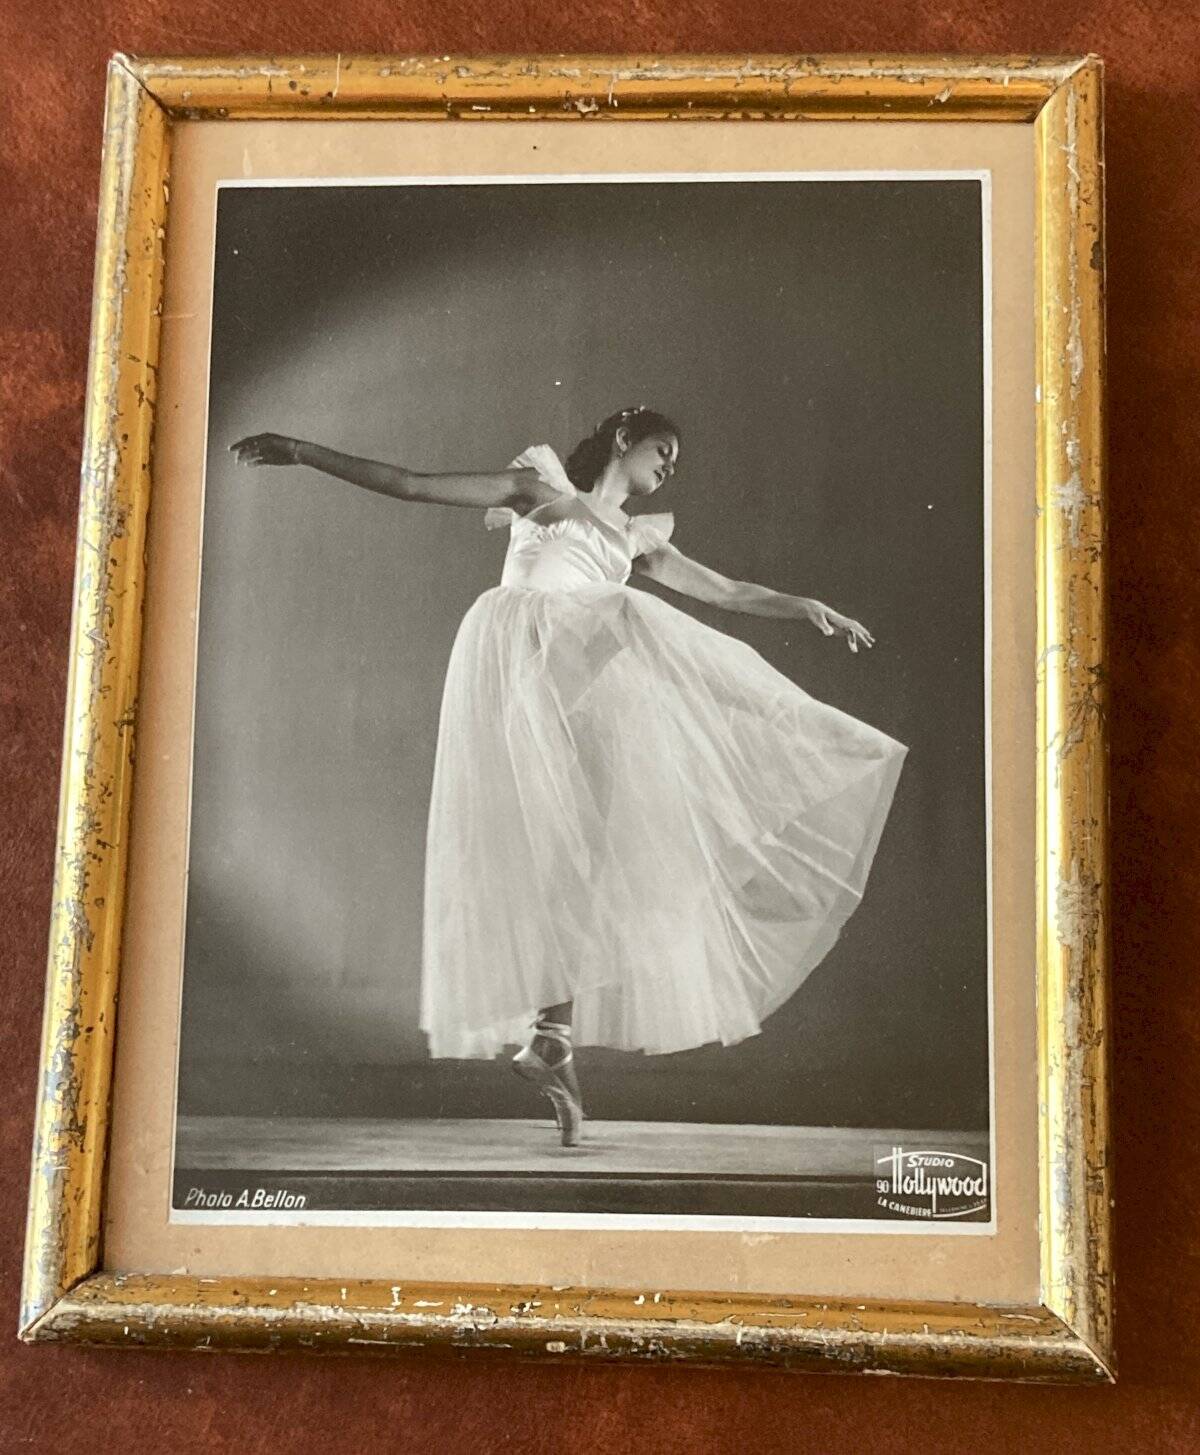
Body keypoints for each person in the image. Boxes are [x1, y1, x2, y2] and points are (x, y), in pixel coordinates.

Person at [230, 406, 908, 1147]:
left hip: (587, 696)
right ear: (623, 439)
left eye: (675, 459)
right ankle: (551, 1032)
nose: (670, 465)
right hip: (526, 663)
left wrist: (804, 606)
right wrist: (301, 450)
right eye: (662, 449)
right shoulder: (541, 489)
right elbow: (413, 483)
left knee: (581, 861)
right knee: (624, 621)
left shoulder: (636, 538)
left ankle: (553, 1035)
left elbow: (727, 590)